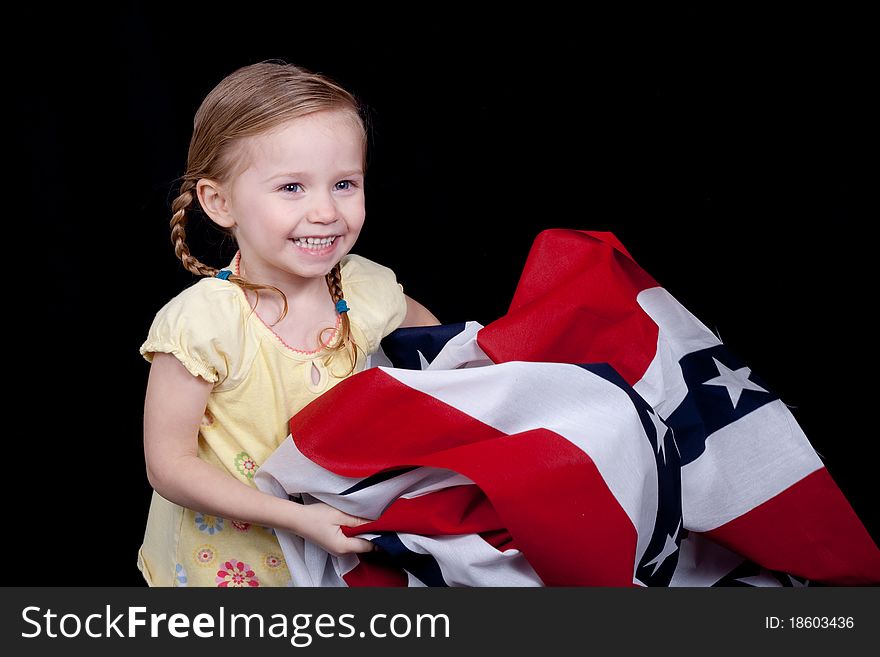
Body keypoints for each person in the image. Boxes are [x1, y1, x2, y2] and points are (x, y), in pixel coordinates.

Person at [138, 60, 440, 587]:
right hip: (229, 569)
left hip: (336, 556)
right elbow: (169, 465)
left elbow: (441, 349)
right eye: (292, 188)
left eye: (344, 183)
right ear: (220, 202)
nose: (326, 211)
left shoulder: (365, 288)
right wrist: (300, 519)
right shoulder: (203, 325)